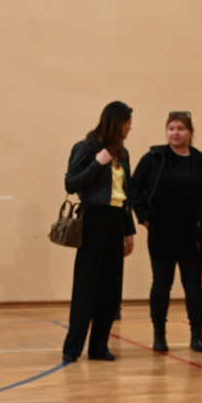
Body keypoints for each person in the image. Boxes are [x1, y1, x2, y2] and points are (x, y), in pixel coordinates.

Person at [131, 111, 202, 354]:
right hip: (161, 235)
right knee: (161, 284)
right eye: (171, 128)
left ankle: (197, 335)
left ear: (190, 133)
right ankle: (159, 336)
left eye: (180, 128)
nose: (175, 133)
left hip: (192, 238)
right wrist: (143, 217)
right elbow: (134, 188)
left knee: (194, 286)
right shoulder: (155, 158)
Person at [61, 101, 136, 363]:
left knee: (111, 289)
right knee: (86, 286)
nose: (130, 128)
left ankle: (99, 346)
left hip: (116, 221)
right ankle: (72, 348)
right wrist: (97, 163)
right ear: (116, 123)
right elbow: (71, 183)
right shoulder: (86, 148)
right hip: (93, 218)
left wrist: (129, 231)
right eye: (127, 123)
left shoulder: (123, 154)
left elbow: (124, 196)